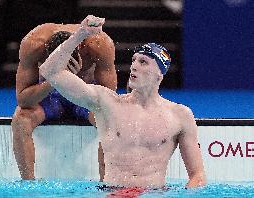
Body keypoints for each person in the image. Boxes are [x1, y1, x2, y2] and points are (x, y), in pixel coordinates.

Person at [39, 15, 206, 190]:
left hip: (155, 194)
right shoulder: (106, 103)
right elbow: (50, 71)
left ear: (159, 74)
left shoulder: (180, 115)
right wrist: (80, 34)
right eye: (134, 60)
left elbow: (198, 176)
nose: (134, 66)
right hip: (113, 192)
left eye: (143, 62)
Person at [11, 19, 117, 180]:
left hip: (85, 94)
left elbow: (110, 100)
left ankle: (106, 184)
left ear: (80, 48)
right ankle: (28, 185)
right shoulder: (33, 44)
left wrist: (74, 84)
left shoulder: (99, 44)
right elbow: (23, 100)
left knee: (110, 120)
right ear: (46, 53)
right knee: (20, 120)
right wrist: (55, 79)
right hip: (49, 96)